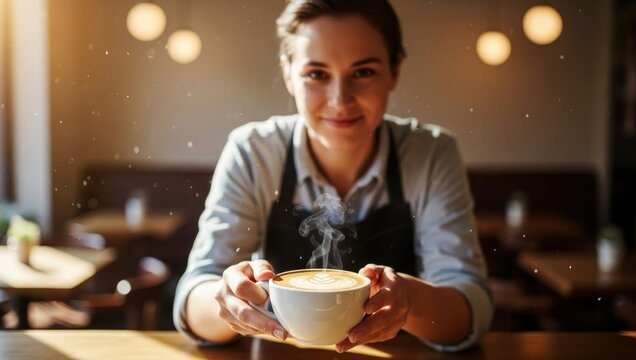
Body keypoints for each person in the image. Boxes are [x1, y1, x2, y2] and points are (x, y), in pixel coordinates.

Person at [174, 0, 492, 353]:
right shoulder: (253, 152)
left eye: (363, 72)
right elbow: (194, 296)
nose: (341, 99)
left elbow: (470, 307)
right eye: (317, 74)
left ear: (395, 70)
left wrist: (411, 300)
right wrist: (227, 302)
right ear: (288, 74)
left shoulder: (432, 154)